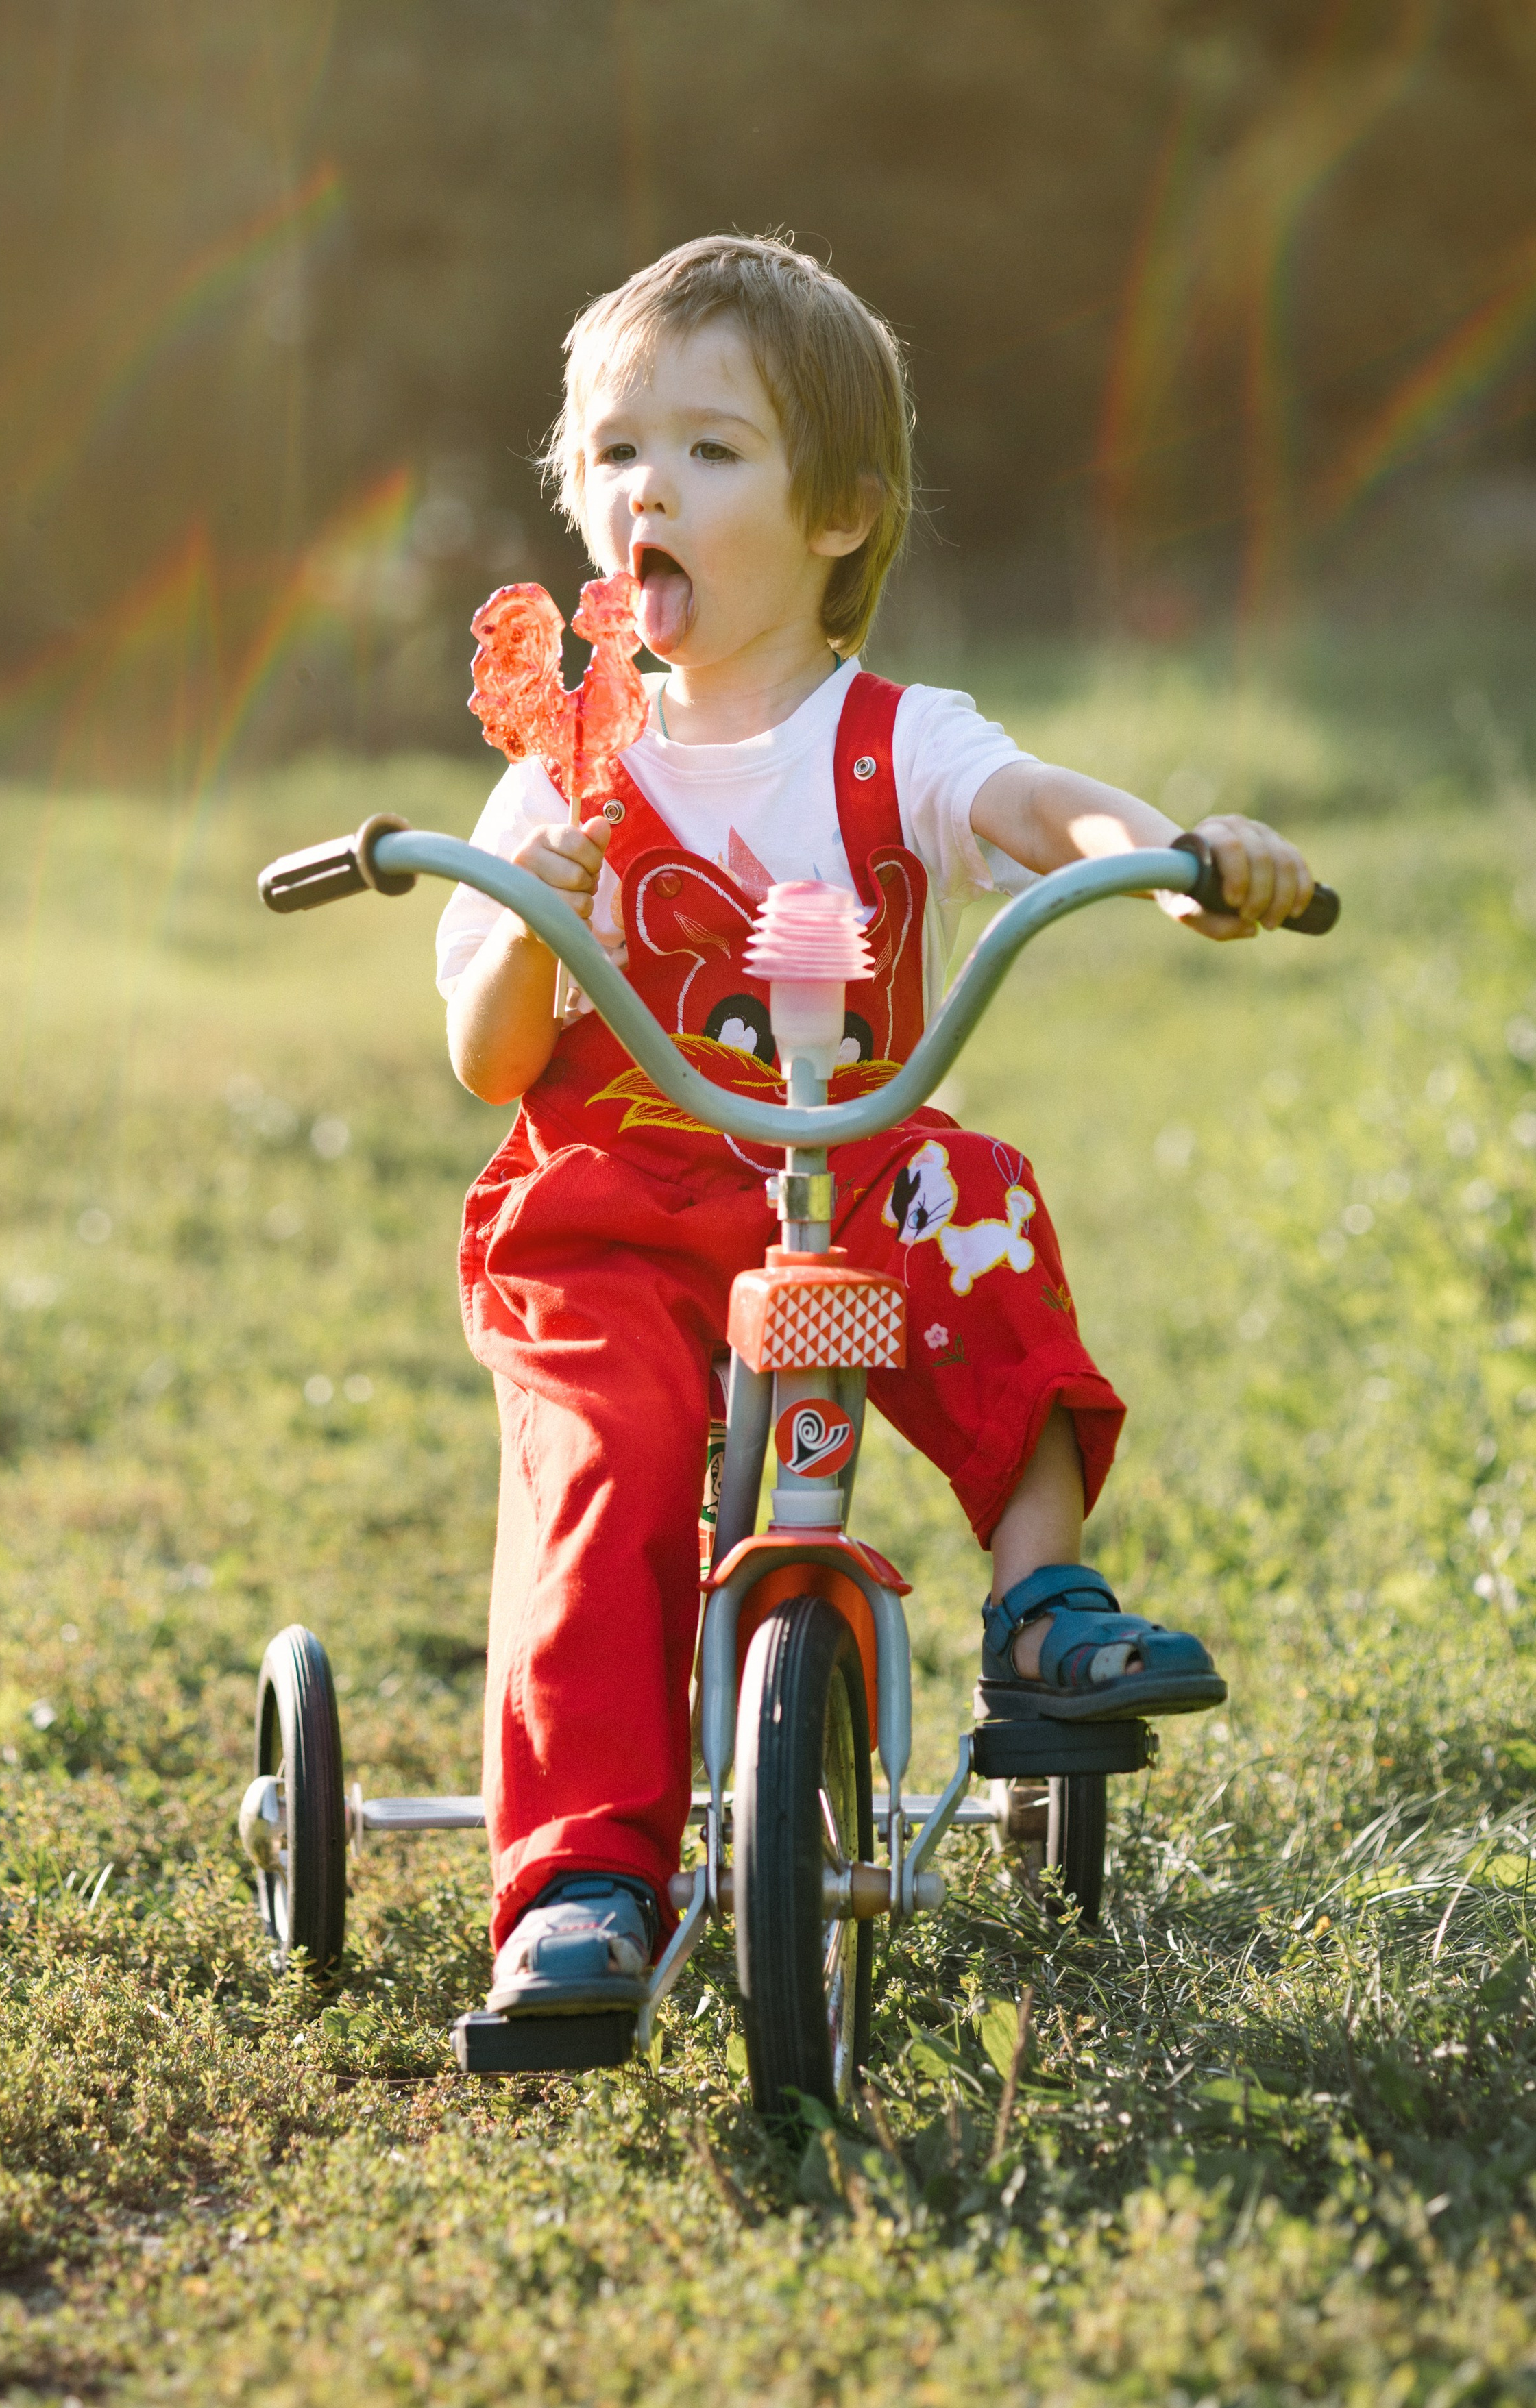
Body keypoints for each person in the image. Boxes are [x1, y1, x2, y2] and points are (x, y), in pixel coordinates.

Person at [435, 236, 1314, 2017]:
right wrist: (532, 914)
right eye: (615, 453)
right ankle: (585, 1877)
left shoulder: (890, 741)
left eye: (709, 450)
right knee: (607, 1463)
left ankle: (1043, 1607)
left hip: (845, 1177)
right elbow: (485, 1056)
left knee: (979, 1207)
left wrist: (1166, 860)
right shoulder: (562, 775)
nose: (647, 489)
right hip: (611, 1209)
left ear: (839, 514)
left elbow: (1037, 807)